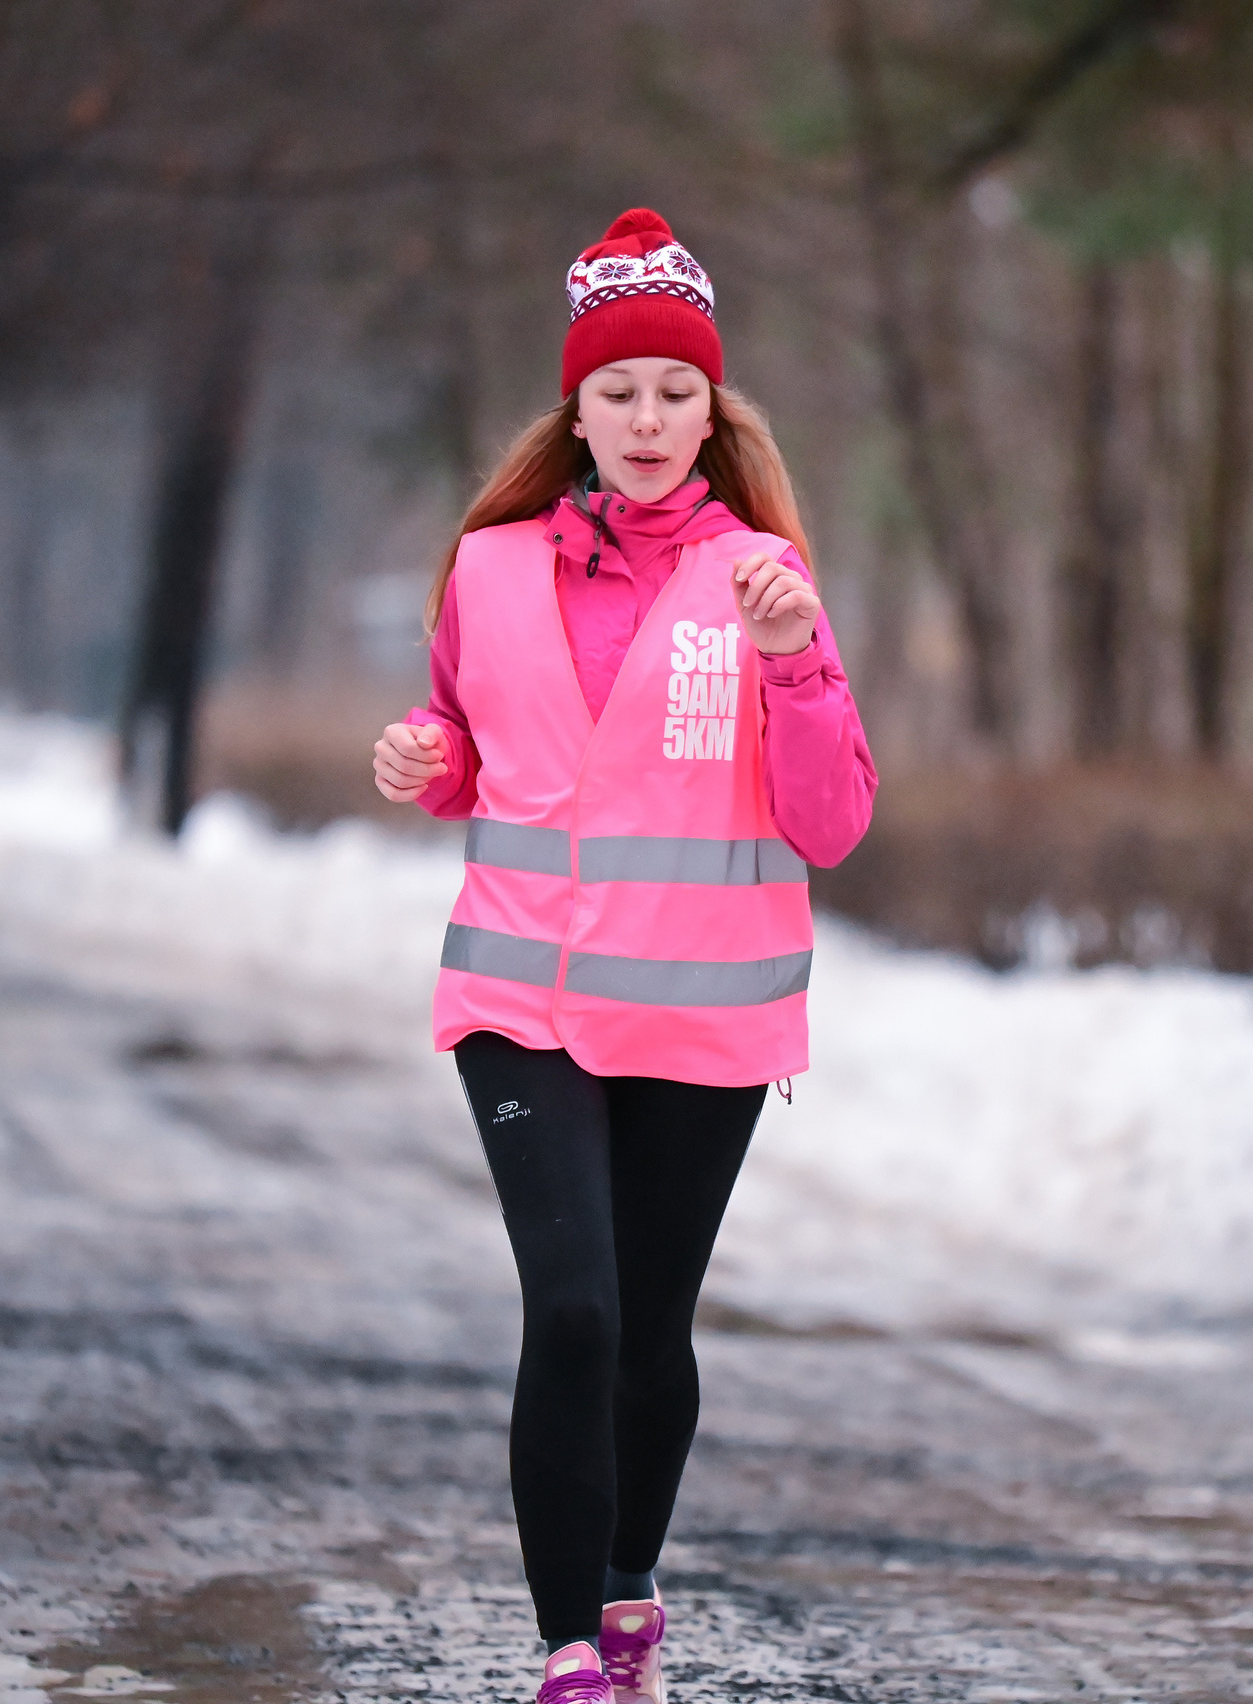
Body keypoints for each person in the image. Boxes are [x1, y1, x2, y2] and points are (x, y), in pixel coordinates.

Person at [370, 208, 876, 1704]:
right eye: (619, 393)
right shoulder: (492, 568)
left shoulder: (763, 578)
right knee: (573, 1309)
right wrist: (427, 755)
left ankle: (629, 1577)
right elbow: (481, 745)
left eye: (675, 393)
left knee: (650, 1329)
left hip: (704, 1016)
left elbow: (832, 820)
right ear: (573, 411)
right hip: (519, 997)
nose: (648, 421)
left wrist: (792, 657)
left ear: (711, 411)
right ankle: (570, 1651)